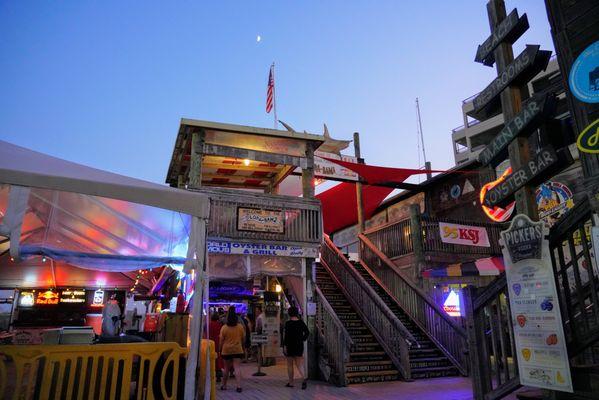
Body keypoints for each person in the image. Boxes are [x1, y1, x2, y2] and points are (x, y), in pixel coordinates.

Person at [218, 306, 245, 392]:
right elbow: (243, 338)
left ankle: (224, 385)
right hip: (237, 349)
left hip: (226, 350)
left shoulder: (224, 328)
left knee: (226, 368)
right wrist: (243, 347)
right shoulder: (240, 327)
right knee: (237, 368)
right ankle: (239, 386)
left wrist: (219, 349)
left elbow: (221, 340)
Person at [283, 306, 309, 389]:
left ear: (289, 313)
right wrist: (302, 339)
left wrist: (284, 346)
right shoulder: (301, 322)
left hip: (290, 345)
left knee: (290, 365)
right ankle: (304, 377)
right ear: (297, 313)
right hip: (299, 345)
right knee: (299, 364)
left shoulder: (288, 323)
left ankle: (291, 383)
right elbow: (307, 332)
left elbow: (286, 336)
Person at [208, 313, 224, 382]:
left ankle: (212, 373)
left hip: (210, 342)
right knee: (218, 357)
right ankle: (219, 372)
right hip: (218, 343)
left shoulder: (209, 324)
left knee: (211, 357)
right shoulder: (220, 325)